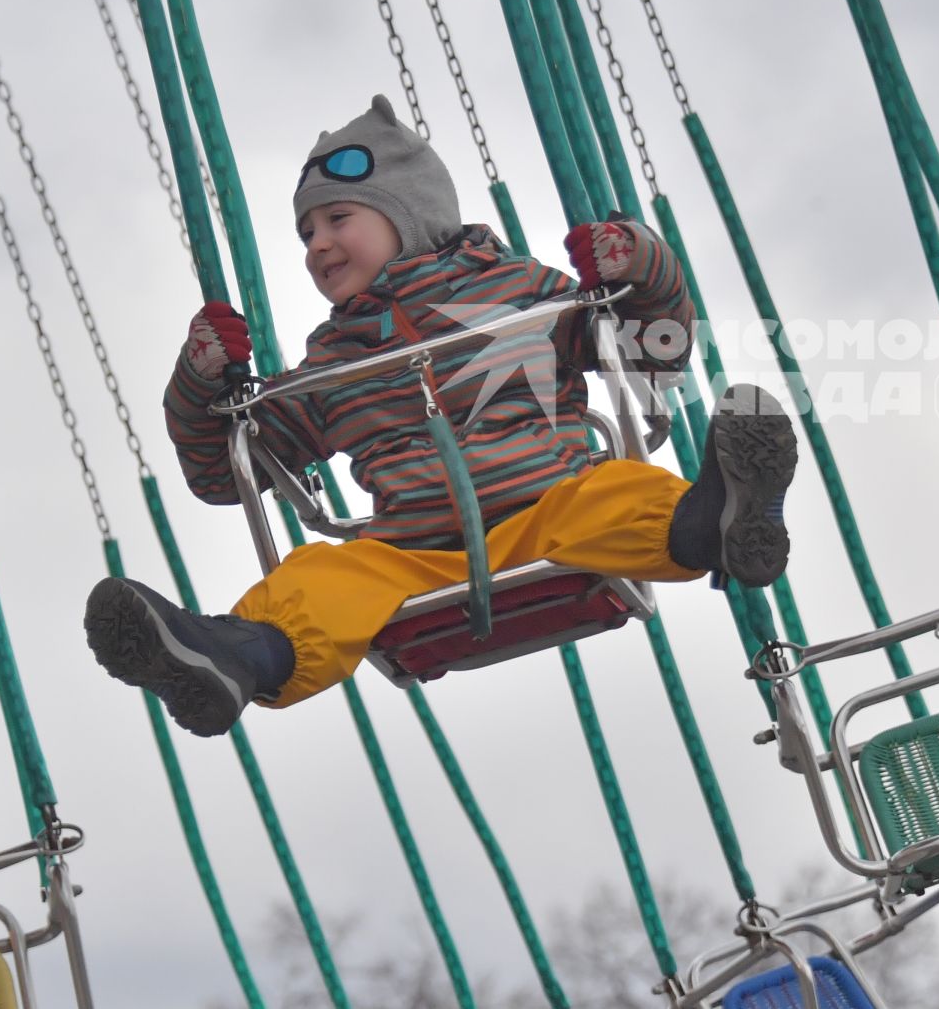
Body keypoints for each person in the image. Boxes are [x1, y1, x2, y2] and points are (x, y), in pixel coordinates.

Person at [84, 94, 795, 736]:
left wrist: (639, 269)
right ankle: (231, 659)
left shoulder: (520, 290)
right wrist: (201, 382)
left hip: (549, 506)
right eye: (305, 234)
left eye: (337, 219)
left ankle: (722, 522)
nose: (318, 245)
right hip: (415, 554)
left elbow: (651, 353)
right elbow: (222, 471)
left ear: (410, 212)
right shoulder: (334, 359)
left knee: (615, 495)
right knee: (322, 579)